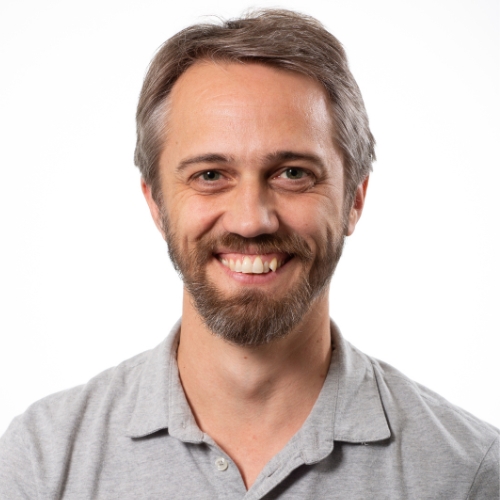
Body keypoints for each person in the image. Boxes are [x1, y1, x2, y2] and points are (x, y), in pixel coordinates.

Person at [0, 9, 498, 499]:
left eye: (293, 173)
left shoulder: (468, 474)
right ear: (156, 204)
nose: (251, 220)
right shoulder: (42, 463)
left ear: (355, 200)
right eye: (210, 175)